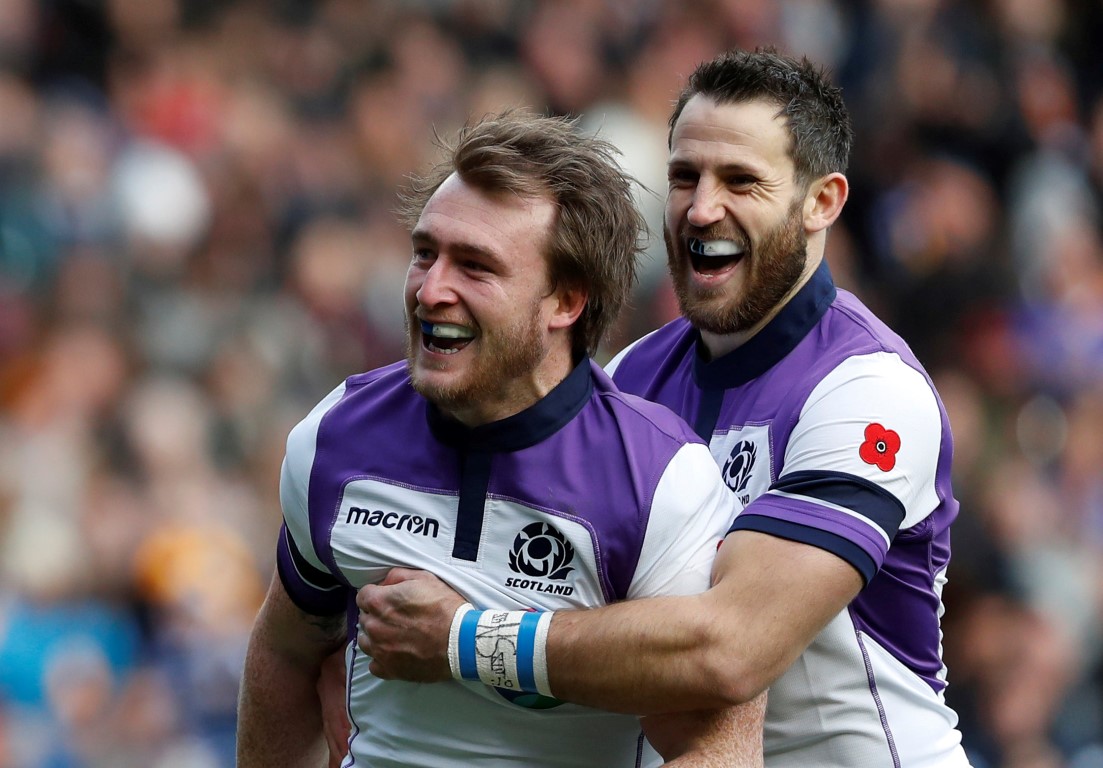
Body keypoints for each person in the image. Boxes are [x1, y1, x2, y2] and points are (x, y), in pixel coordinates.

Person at [354, 49, 973, 767]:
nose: (700, 208)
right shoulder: (631, 375)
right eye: (684, 176)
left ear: (821, 202)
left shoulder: (867, 391)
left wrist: (463, 639)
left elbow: (733, 650)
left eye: (740, 180)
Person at [236, 110, 767, 768]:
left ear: (564, 302)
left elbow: (717, 746)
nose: (431, 291)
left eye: (475, 267)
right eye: (424, 253)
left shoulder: (660, 481)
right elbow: (286, 651)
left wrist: (469, 644)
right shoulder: (336, 436)